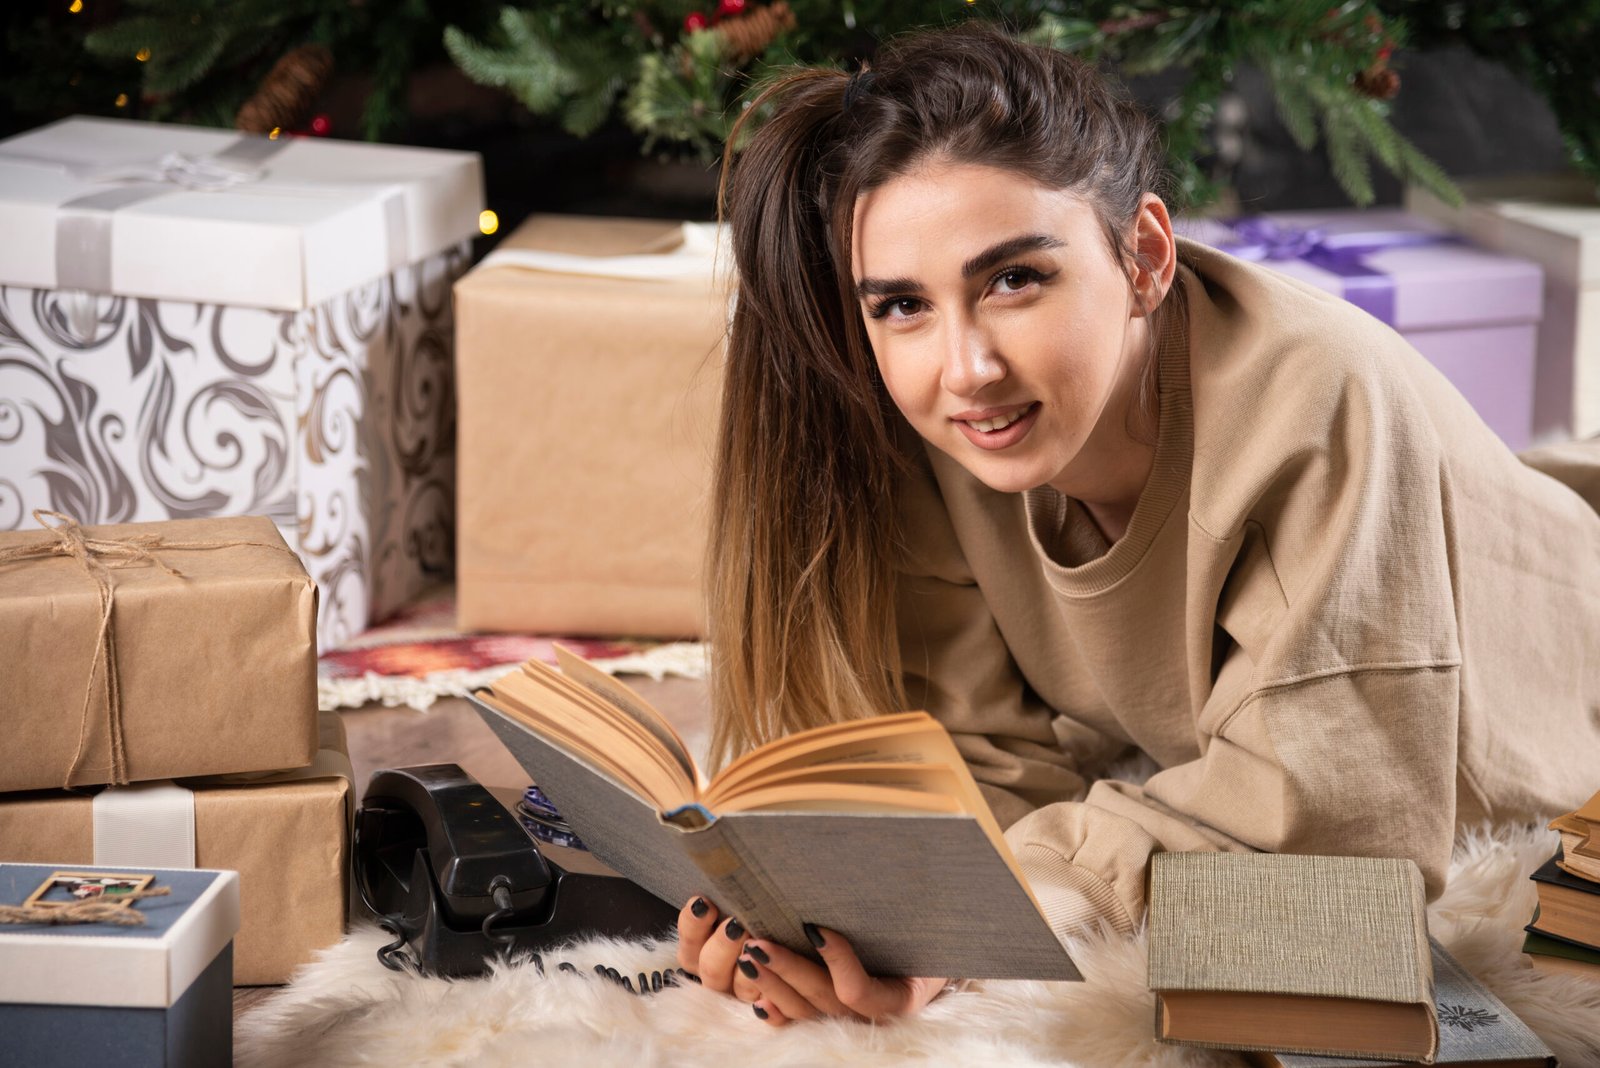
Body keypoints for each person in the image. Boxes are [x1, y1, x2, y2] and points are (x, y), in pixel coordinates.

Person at [675, 23, 1600, 1027]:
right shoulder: (945, 423)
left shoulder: (1317, 411)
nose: (964, 366)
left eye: (1014, 280)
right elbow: (969, 757)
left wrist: (1016, 905)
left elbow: (1326, 851)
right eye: (901, 304)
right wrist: (892, 922)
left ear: (1147, 255)